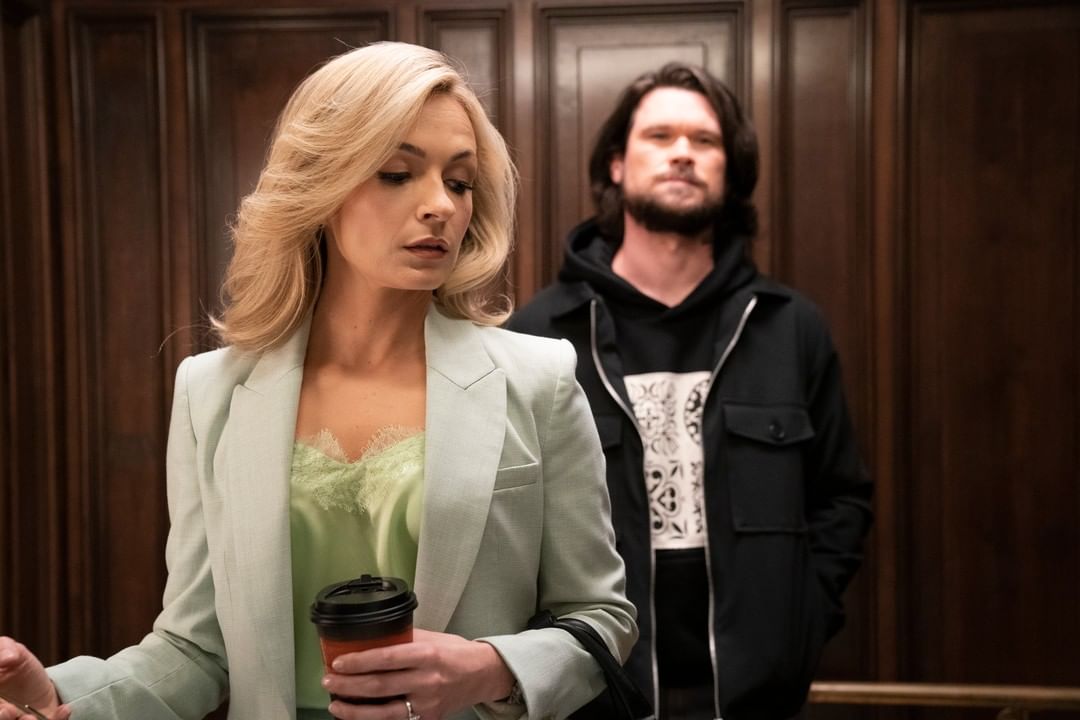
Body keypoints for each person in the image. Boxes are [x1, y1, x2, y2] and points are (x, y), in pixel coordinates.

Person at [0, 41, 637, 720]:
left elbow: (601, 618)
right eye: (397, 173)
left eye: (459, 182)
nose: (441, 206)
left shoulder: (538, 381)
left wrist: (488, 670)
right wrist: (62, 697)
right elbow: (196, 648)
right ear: (321, 184)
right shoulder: (211, 394)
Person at [507, 63, 873, 720]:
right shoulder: (541, 336)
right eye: (660, 136)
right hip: (595, 696)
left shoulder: (789, 327)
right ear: (616, 164)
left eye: (705, 140)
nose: (683, 153)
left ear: (730, 170)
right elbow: (509, 527)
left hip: (757, 700)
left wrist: (802, 623)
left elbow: (840, 498)